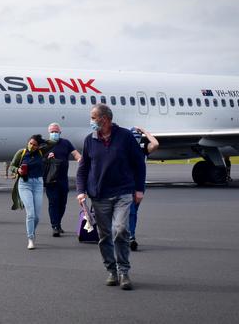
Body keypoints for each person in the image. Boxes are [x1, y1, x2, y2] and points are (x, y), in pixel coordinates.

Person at [76, 104, 146, 291]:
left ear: (104, 119)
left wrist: (139, 189)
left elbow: (139, 163)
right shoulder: (89, 140)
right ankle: (112, 270)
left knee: (121, 230)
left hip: (123, 192)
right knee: (104, 236)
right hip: (99, 196)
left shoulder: (125, 137)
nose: (91, 120)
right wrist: (81, 191)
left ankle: (124, 271)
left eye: (93, 117)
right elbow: (83, 168)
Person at [45, 123, 82, 237]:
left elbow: (75, 153)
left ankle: (58, 223)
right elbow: (38, 158)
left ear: (60, 132)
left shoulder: (66, 143)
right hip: (51, 179)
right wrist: (47, 157)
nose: (54, 133)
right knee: (53, 202)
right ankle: (55, 226)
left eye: (56, 131)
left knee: (62, 203)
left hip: (63, 179)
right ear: (49, 133)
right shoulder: (45, 145)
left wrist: (80, 160)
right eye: (52, 132)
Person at [10, 135, 46, 249]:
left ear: (38, 146)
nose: (31, 146)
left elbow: (52, 143)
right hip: (24, 184)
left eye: (35, 145)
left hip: (38, 184)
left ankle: (32, 231)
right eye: (30, 143)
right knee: (30, 214)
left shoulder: (41, 152)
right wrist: (18, 170)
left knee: (37, 217)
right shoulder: (21, 152)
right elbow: (12, 166)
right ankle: (30, 238)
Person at [129, 126, 159, 251]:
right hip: (125, 184)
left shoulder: (143, 148)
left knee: (134, 212)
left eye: (138, 135)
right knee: (130, 211)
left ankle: (130, 235)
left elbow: (155, 144)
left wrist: (146, 132)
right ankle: (130, 236)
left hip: (138, 184)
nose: (136, 137)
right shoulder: (124, 148)